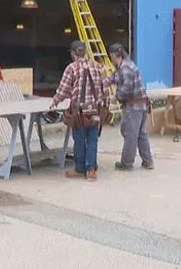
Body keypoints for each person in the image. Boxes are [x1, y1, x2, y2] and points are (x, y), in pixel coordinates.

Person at [50, 41, 111, 181]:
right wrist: (106, 106)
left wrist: (55, 102)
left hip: (79, 112)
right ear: (85, 52)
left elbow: (63, 90)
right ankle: (91, 170)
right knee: (92, 140)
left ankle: (80, 169)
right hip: (95, 110)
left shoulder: (71, 68)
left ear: (73, 54)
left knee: (79, 140)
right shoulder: (97, 66)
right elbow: (105, 88)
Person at [105, 43, 154, 171]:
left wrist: (114, 98)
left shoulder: (125, 68)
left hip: (133, 106)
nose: (111, 60)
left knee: (130, 134)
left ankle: (126, 163)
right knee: (141, 134)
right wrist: (101, 84)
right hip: (141, 105)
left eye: (111, 57)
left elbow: (126, 89)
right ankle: (148, 161)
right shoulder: (126, 65)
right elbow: (113, 78)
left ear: (116, 55)